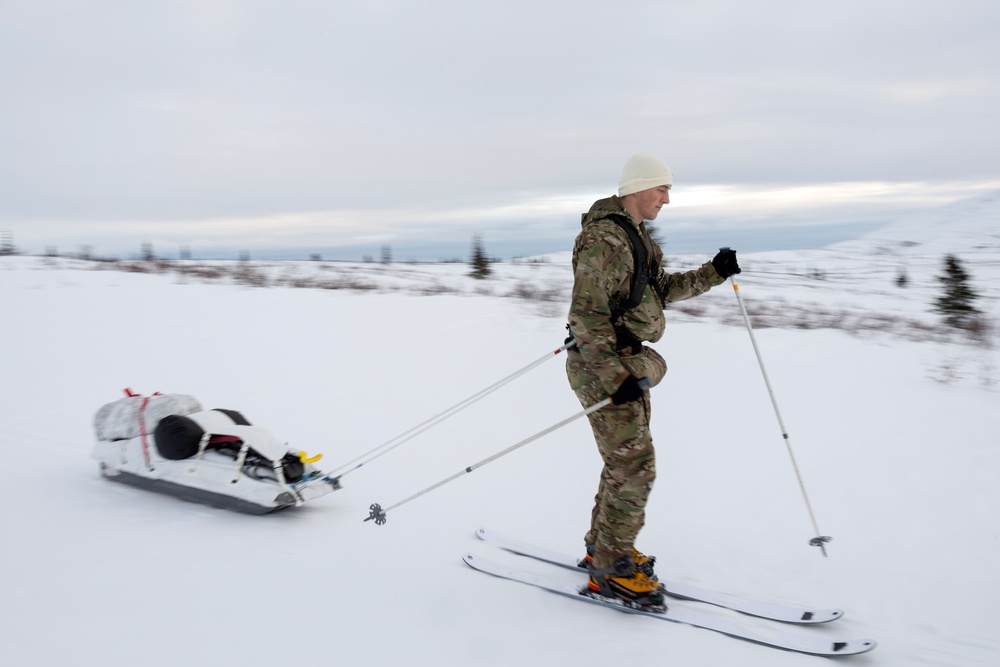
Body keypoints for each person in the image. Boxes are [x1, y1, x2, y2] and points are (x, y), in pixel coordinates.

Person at [565, 151, 741, 608]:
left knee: (622, 463)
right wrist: (612, 376)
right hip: (602, 365)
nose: (667, 198)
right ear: (638, 188)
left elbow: (659, 293)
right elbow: (585, 315)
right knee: (635, 466)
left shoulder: (639, 237)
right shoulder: (605, 240)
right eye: (661, 189)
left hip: (626, 360)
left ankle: (602, 545)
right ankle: (611, 568)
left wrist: (713, 274)